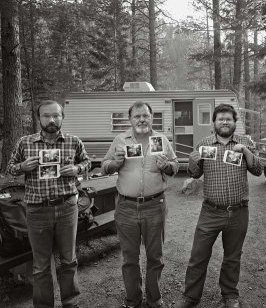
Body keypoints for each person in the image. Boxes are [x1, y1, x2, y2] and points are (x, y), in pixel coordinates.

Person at [175, 104, 262, 308]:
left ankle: (230, 296)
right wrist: (192, 162)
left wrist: (247, 152)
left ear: (234, 122)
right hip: (210, 211)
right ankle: (190, 297)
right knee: (198, 256)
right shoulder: (205, 143)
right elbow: (195, 174)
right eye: (220, 118)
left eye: (228, 119)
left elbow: (258, 170)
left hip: (239, 210)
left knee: (232, 257)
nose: (224, 122)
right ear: (214, 122)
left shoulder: (245, 142)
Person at [6, 100, 91, 308]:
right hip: (37, 210)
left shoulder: (73, 141)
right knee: (41, 265)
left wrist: (77, 169)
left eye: (56, 115)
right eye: (46, 116)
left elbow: (87, 162)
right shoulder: (25, 143)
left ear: (62, 117)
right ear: (39, 118)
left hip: (67, 207)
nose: (51, 120)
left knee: (69, 259)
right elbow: (10, 168)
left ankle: (70, 302)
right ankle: (44, 305)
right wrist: (22, 166)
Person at [102, 101, 179, 308]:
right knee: (130, 258)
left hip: (155, 206)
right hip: (126, 207)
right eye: (137, 116)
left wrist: (167, 166)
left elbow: (175, 165)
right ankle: (133, 299)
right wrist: (116, 163)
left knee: (155, 256)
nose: (141, 119)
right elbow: (104, 166)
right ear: (130, 119)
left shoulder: (160, 139)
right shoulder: (120, 140)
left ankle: (154, 298)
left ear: (151, 117)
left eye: (145, 115)